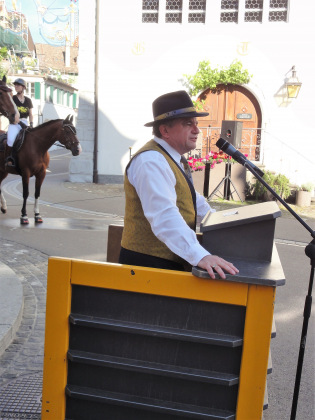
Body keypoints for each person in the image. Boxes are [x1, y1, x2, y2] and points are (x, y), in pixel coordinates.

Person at [119, 90, 239, 280]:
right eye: (187, 124)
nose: (197, 130)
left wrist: (222, 224)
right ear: (165, 130)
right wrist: (201, 255)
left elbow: (192, 201)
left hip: (166, 263)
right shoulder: (151, 161)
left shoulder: (170, 158)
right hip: (147, 267)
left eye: (196, 124)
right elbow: (164, 216)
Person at [5, 78, 33, 167]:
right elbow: (11, 112)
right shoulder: (12, 98)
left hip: (25, 122)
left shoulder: (28, 100)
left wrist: (31, 124)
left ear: (23, 87)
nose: (16, 86)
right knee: (11, 139)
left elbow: (31, 114)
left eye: (18, 85)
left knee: (32, 139)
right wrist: (18, 122)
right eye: (15, 85)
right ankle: (9, 158)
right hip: (14, 122)